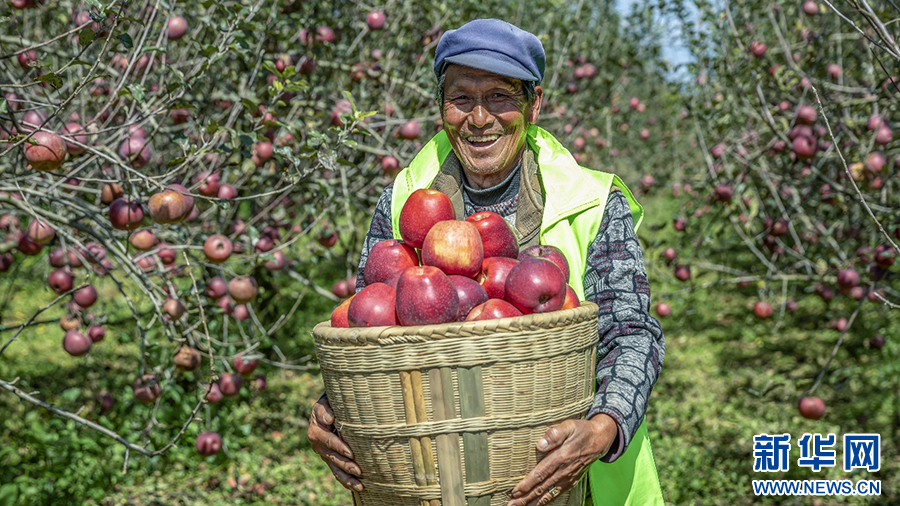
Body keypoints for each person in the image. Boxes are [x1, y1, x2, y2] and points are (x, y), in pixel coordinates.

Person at [307, 18, 666, 506]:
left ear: (534, 104)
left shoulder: (590, 199)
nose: (479, 118)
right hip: (435, 481)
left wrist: (604, 427)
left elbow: (631, 332)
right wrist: (336, 409)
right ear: (441, 107)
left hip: (566, 483)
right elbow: (366, 332)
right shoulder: (405, 200)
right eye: (461, 99)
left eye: (499, 96)